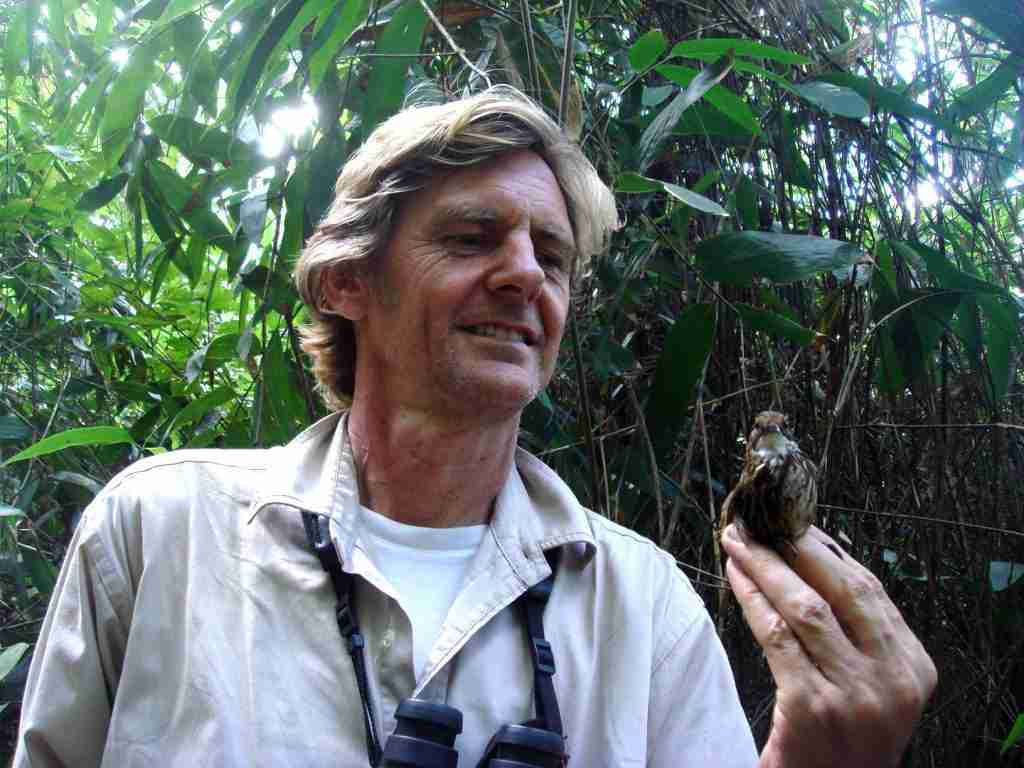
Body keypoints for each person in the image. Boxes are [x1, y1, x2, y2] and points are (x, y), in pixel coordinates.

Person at [13, 86, 935, 767]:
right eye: (470, 238)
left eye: (554, 256)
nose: (525, 274)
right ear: (349, 280)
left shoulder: (643, 605)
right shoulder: (161, 536)